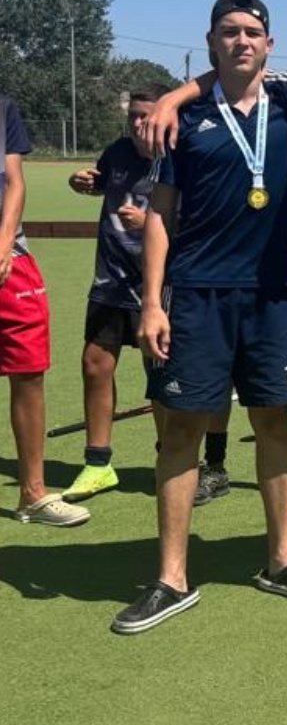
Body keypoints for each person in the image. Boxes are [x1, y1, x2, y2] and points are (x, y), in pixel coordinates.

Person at [114, 0, 287, 634]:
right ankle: (171, 578)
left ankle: (282, 560)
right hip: (197, 296)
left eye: (252, 32)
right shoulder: (183, 120)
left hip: (270, 298)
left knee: (276, 425)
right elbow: (160, 214)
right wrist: (152, 303)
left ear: (270, 44)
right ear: (211, 42)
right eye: (229, 32)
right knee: (182, 432)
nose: (242, 41)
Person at [63, 86, 168, 502]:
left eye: (147, 116)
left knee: (160, 374)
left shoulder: (182, 156)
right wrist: (82, 182)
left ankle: (171, 459)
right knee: (94, 365)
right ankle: (97, 464)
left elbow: (200, 222)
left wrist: (151, 223)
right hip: (111, 281)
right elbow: (102, 182)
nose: (139, 124)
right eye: (134, 117)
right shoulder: (118, 152)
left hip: (158, 287)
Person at [2, 91, 87, 527]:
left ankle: (33, 495)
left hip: (10, 259)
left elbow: (14, 181)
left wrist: (3, 244)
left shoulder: (3, 108)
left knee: (29, 370)